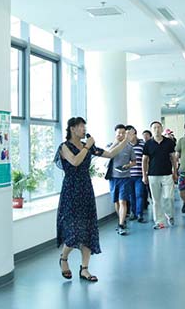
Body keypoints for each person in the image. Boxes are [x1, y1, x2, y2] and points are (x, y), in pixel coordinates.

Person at [54, 117, 131, 281]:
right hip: (71, 190)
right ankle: (64, 258)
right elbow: (75, 161)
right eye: (81, 127)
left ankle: (85, 269)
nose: (84, 129)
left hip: (86, 188)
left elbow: (110, 154)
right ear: (72, 129)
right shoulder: (64, 147)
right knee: (74, 230)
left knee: (88, 229)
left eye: (84, 127)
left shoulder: (87, 146)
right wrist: (87, 146)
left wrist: (125, 140)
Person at [142, 121, 177, 230]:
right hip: (153, 175)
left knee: (168, 197)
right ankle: (159, 222)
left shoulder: (169, 142)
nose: (157, 129)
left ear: (162, 129)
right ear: (151, 130)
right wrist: (144, 175)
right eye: (154, 128)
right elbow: (144, 160)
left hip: (167, 174)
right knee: (156, 200)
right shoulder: (148, 144)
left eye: (158, 127)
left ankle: (169, 215)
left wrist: (175, 172)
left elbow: (173, 158)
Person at [106, 124, 137, 235]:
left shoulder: (129, 147)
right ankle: (122, 220)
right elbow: (107, 156)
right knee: (116, 202)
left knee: (122, 201)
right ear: (115, 133)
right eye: (119, 133)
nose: (121, 135)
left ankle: (121, 225)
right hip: (113, 178)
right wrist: (115, 143)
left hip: (125, 178)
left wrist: (128, 166)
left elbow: (134, 162)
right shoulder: (110, 145)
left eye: (123, 133)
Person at [126, 125, 148, 223]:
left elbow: (147, 159)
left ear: (135, 133)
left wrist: (146, 173)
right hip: (128, 175)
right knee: (131, 195)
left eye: (129, 133)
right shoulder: (125, 145)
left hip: (140, 174)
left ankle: (139, 214)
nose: (128, 136)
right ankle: (133, 212)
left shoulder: (142, 144)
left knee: (139, 194)